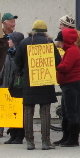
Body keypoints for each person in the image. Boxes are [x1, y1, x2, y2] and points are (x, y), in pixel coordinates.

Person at [15, 20, 62, 150]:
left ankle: (30, 142)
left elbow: (17, 61)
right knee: (45, 112)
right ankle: (46, 142)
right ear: (45, 31)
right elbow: (58, 61)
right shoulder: (49, 43)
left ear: (33, 30)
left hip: (29, 82)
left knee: (28, 112)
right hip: (45, 81)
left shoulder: (24, 42)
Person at [55, 14, 80, 139]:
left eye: (61, 24)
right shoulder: (62, 38)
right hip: (67, 78)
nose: (59, 27)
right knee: (68, 107)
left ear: (67, 26)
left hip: (79, 75)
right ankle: (69, 133)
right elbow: (57, 49)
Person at [0, 31, 26, 144]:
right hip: (8, 87)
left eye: (10, 39)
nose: (8, 41)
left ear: (15, 41)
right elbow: (3, 70)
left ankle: (19, 136)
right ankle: (13, 135)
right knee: (10, 112)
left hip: (18, 87)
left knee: (18, 113)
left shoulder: (21, 55)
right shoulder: (9, 54)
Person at [55, 28, 80, 147]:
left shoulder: (72, 50)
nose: (59, 44)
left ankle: (73, 139)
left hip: (71, 84)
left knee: (71, 112)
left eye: (60, 41)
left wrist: (56, 64)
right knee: (66, 112)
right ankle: (66, 137)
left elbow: (65, 67)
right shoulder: (70, 50)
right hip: (67, 85)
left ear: (65, 41)